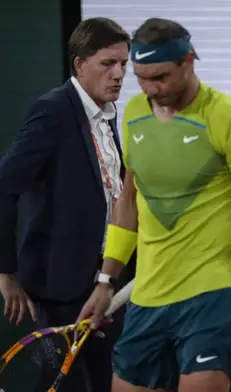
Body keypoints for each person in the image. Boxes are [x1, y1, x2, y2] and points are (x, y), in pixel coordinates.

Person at [75, 18, 231, 392]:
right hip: (148, 298)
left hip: (214, 296)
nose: (151, 89)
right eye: (141, 77)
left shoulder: (229, 119)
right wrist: (106, 280)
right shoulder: (135, 114)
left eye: (161, 77)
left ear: (188, 61)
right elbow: (130, 202)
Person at [0, 17, 132, 392]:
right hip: (59, 288)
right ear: (79, 64)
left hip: (105, 284)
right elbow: (4, 185)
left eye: (123, 63)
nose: (119, 73)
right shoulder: (53, 111)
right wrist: (5, 272)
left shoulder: (108, 115)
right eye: (108, 63)